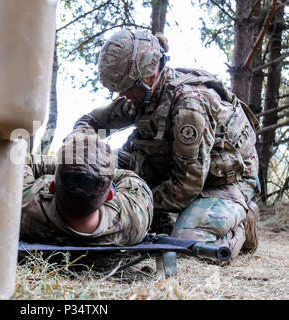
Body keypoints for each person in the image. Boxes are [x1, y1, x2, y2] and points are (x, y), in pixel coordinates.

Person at [72, 29, 260, 257]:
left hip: (223, 181)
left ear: (148, 76)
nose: (122, 94)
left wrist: (133, 202)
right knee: (100, 167)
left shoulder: (189, 108)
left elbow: (187, 186)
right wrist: (84, 156)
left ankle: (243, 221)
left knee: (187, 243)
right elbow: (91, 121)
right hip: (170, 168)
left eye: (127, 87)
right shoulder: (142, 95)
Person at [20, 132, 153, 246]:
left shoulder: (21, 208)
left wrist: (67, 166)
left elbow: (19, 161)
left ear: (52, 187)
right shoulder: (135, 218)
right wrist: (97, 171)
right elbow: (130, 178)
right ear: (109, 196)